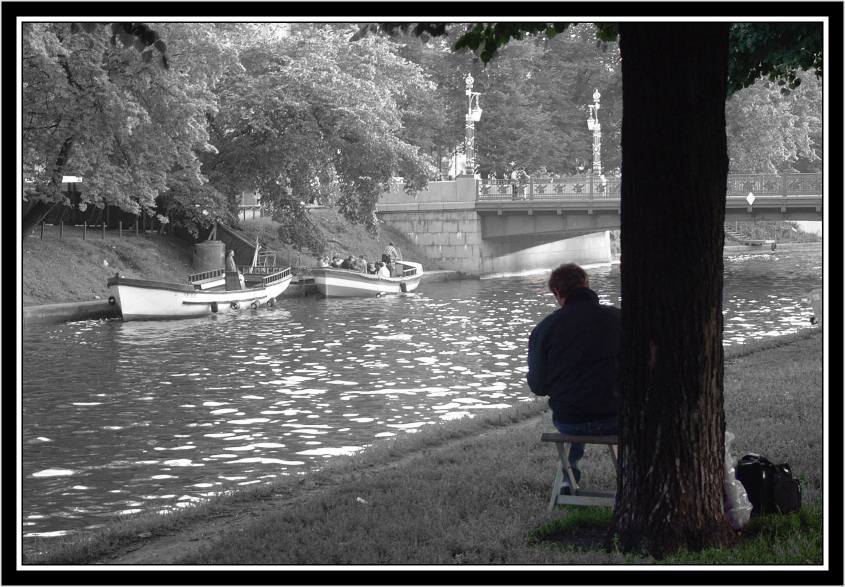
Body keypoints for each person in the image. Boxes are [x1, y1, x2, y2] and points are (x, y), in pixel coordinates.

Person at [527, 263, 621, 493]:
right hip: (618, 416)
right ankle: (633, 479)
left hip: (570, 419)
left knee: (574, 403)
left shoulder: (545, 328)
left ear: (558, 293)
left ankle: (569, 477)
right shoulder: (619, 318)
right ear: (586, 285)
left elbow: (538, 386)